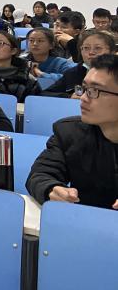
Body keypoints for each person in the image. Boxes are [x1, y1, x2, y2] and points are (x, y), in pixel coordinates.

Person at [26, 54, 118, 209]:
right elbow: (41, 174)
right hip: (82, 220)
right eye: (84, 88)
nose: (83, 98)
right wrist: (52, 189)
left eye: (94, 90)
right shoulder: (70, 132)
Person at [43, 31, 116, 97]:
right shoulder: (73, 73)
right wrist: (69, 96)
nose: (91, 52)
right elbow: (45, 93)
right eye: (86, 48)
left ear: (112, 52)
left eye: (98, 48)